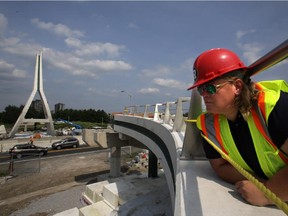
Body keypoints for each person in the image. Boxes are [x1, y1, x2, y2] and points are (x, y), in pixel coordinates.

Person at [187, 48, 288, 206]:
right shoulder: (209, 126)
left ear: (237, 86)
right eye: (201, 89)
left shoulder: (275, 108)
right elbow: (220, 166)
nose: (204, 95)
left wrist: (268, 193)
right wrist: (261, 185)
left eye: (210, 88)